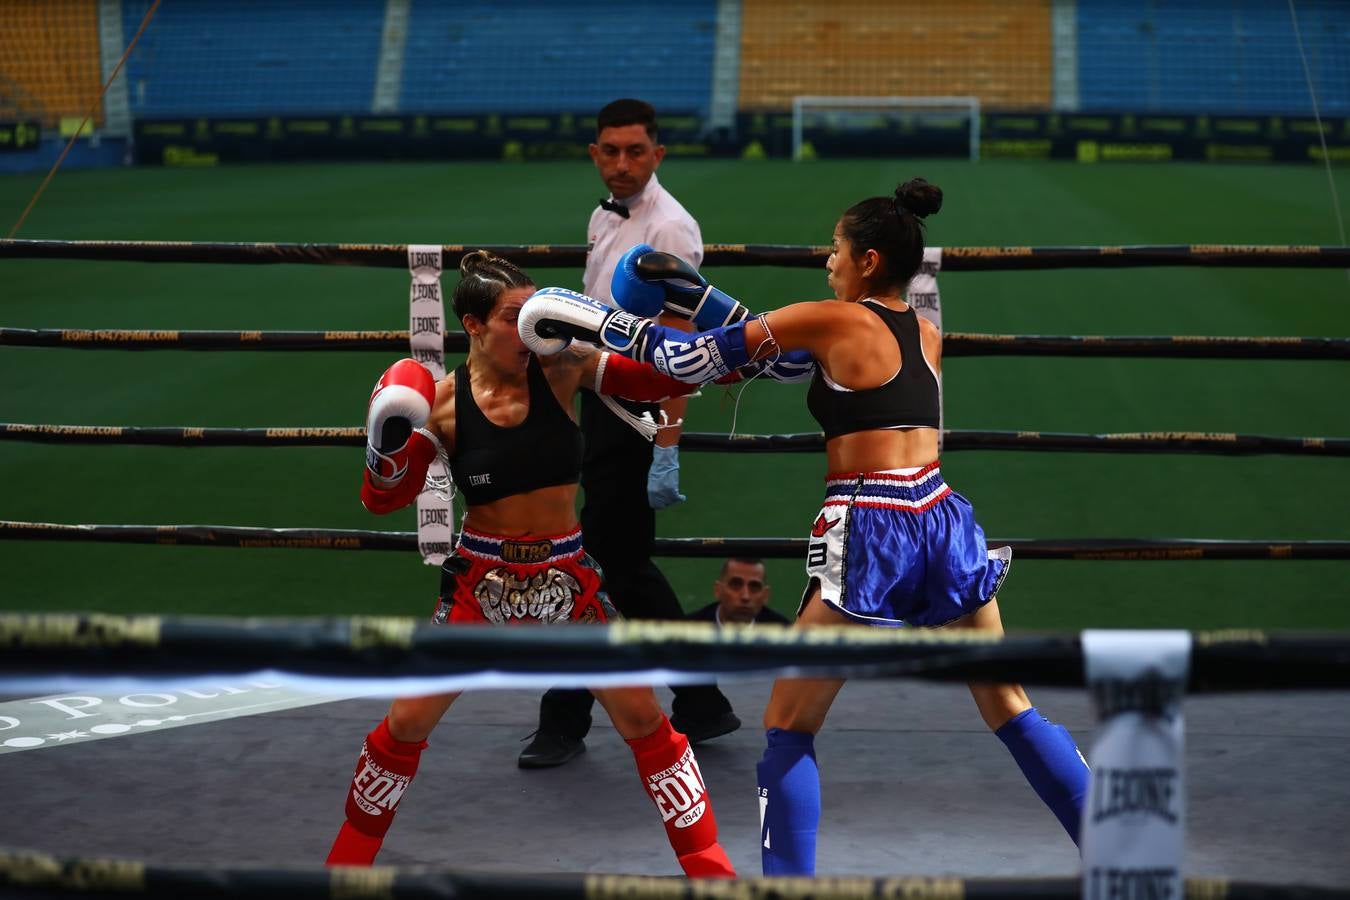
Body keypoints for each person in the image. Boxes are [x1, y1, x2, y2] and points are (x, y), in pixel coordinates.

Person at [516, 178, 1092, 875]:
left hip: (875, 524)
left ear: (869, 260)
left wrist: (582, 315)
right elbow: (788, 358)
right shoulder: (925, 333)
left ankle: (787, 886)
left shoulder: (831, 317)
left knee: (787, 724)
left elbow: (682, 363)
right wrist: (697, 297)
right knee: (1008, 701)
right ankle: (1123, 850)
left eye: (836, 249)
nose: (828, 261)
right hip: (941, 513)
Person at [324, 251, 736, 878]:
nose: (531, 330)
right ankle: (346, 863)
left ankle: (710, 868)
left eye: (536, 314)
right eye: (514, 317)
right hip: (479, 584)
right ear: (473, 324)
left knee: (645, 719)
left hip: (569, 579)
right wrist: (384, 445)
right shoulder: (439, 405)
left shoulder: (564, 367)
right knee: (405, 723)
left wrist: (654, 331)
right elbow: (382, 500)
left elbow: (661, 382)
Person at [520, 97, 741, 769]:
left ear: (658, 154)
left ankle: (566, 716)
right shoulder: (600, 215)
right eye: (610, 151)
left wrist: (666, 444)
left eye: (634, 151)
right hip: (595, 410)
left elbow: (678, 349)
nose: (621, 164)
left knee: (600, 566)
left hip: (635, 421)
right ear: (595, 154)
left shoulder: (670, 229)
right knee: (619, 569)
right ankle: (700, 704)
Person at [688, 558, 789, 627]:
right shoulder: (686, 631)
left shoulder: (786, 635)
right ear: (718, 590)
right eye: (735, 585)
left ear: (765, 595)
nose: (745, 596)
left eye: (754, 587)